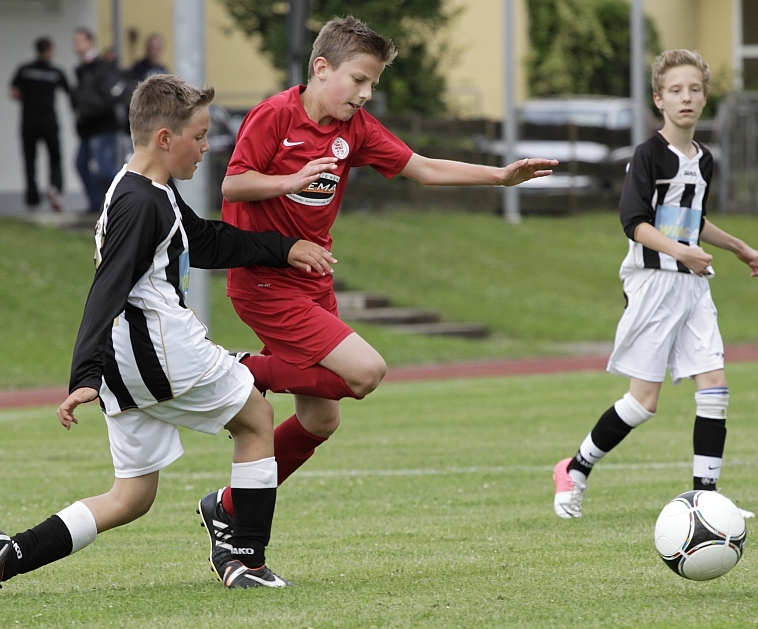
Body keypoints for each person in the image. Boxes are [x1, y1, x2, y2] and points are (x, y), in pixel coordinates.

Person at [0, 74, 339, 601]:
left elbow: (202, 239)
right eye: (199, 136)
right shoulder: (141, 203)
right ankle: (247, 559)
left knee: (131, 497)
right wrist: (83, 375)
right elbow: (107, 287)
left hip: (127, 365)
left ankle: (6, 554)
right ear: (165, 138)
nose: (206, 147)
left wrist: (282, 248)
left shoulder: (144, 190)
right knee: (257, 418)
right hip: (161, 354)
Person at [196, 16, 558, 579]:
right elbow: (232, 183)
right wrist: (289, 181)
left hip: (314, 282)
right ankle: (240, 369)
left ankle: (228, 505)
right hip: (264, 281)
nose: (365, 94)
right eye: (359, 79)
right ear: (321, 69)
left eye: (373, 84)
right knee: (364, 372)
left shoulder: (356, 129)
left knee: (320, 420)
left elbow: (424, 168)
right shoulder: (274, 116)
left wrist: (500, 176)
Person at [551, 50, 758, 520]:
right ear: (659, 99)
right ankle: (574, 468)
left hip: (693, 286)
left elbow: (692, 219)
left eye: (694, 89)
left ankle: (706, 499)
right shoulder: (647, 155)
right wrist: (681, 253)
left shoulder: (705, 159)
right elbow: (635, 222)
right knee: (643, 402)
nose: (685, 98)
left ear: (705, 98)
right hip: (652, 284)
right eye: (675, 90)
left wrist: (739, 248)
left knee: (714, 386)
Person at [10, 37, 70, 212]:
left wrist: (28, 98)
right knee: (55, 157)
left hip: (29, 121)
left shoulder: (25, 70)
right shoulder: (55, 72)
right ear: (50, 50)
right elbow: (69, 91)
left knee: (30, 161)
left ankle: (32, 200)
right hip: (49, 121)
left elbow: (14, 92)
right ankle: (54, 188)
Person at [71, 27, 122, 214]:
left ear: (90, 42)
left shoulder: (100, 67)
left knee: (104, 167)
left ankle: (127, 198)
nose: (76, 45)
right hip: (88, 127)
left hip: (102, 126)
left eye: (79, 41)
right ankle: (97, 206)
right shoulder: (82, 69)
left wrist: (90, 107)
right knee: (81, 164)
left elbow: (106, 96)